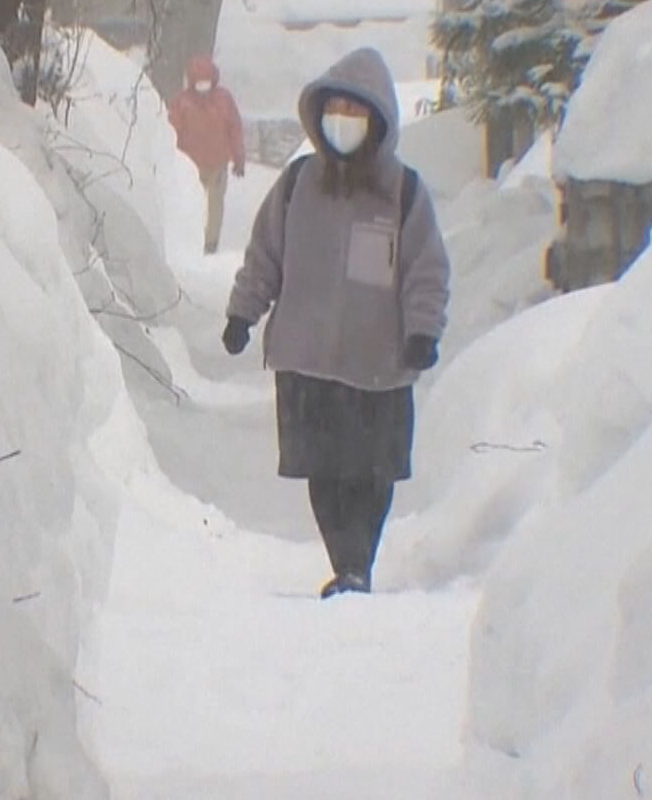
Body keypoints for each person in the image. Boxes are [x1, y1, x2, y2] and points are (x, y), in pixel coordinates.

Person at [222, 47, 450, 598]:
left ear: (378, 120)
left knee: (370, 476)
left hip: (378, 367)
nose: (343, 122)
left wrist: (423, 331)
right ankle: (348, 565)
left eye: (356, 111)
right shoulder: (298, 185)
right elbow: (265, 255)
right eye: (335, 110)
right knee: (324, 472)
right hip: (308, 363)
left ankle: (357, 566)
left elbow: (426, 269)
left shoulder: (404, 194)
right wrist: (242, 312)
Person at [167, 54, 247, 254]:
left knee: (214, 206)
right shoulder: (182, 103)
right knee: (193, 203)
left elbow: (234, 128)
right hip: (190, 166)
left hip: (217, 165)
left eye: (207, 82)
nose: (203, 88)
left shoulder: (224, 100)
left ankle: (210, 242)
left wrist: (238, 157)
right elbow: (170, 132)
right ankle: (191, 239)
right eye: (199, 83)